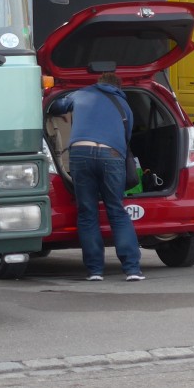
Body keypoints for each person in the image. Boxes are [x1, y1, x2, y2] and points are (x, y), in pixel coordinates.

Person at [48, 72, 144, 282]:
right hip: (111, 154)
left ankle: (94, 271)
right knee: (116, 210)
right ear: (118, 87)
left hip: (80, 152)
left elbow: (56, 107)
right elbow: (126, 138)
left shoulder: (81, 94)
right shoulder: (123, 105)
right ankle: (132, 269)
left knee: (87, 212)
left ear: (98, 83)